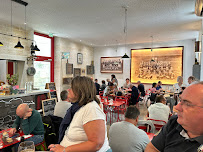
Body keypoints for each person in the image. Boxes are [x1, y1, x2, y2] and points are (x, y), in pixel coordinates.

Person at [48, 76, 110, 152]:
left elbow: (97, 144)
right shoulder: (78, 107)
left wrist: (64, 149)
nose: (68, 90)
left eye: (71, 88)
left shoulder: (91, 109)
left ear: (79, 91)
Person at [145, 82, 203, 152]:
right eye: (180, 100)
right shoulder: (174, 122)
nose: (177, 107)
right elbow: (152, 148)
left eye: (187, 103)